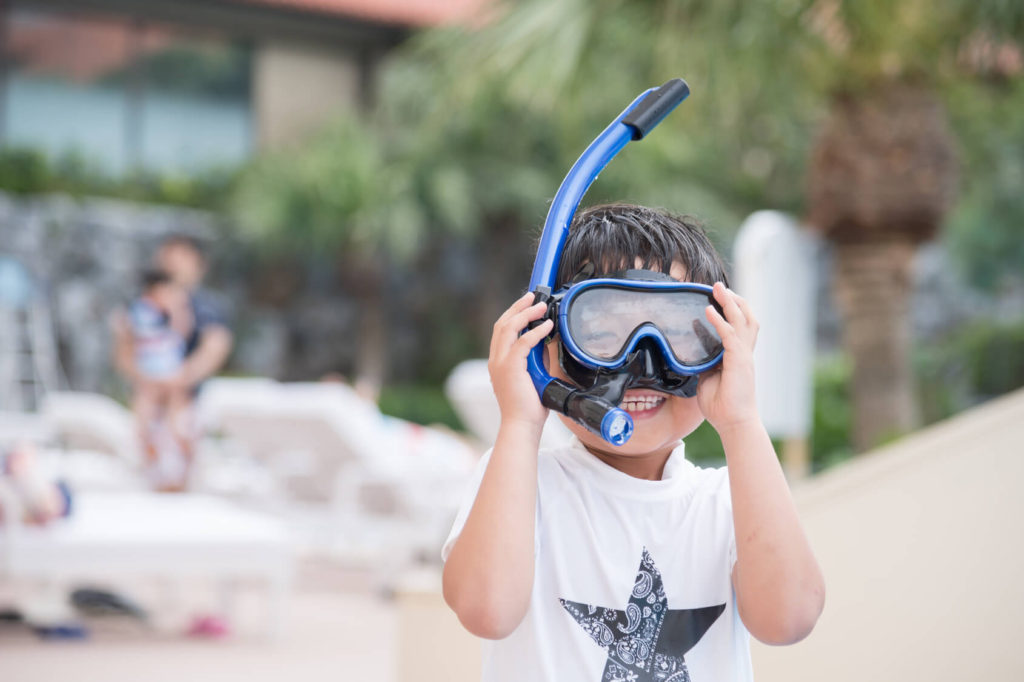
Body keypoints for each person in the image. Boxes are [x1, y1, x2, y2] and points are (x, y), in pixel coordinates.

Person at [441, 204, 825, 681]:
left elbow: (789, 619)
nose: (644, 363)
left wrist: (742, 420)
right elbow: (485, 611)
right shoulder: (522, 485)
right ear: (545, 347)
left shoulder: (729, 502)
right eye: (601, 335)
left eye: (678, 334)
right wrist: (520, 421)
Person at [114, 235, 233, 490]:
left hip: (188, 394)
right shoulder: (140, 305)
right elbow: (124, 349)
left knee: (180, 432)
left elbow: (216, 346)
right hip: (149, 389)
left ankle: (179, 477)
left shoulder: (206, 307)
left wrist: (181, 376)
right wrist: (147, 376)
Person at [127, 268, 192, 483]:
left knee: (176, 419)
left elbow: (181, 333)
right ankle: (153, 463)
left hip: (169, 372)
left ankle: (177, 466)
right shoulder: (142, 312)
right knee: (147, 415)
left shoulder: (168, 313)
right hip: (152, 372)